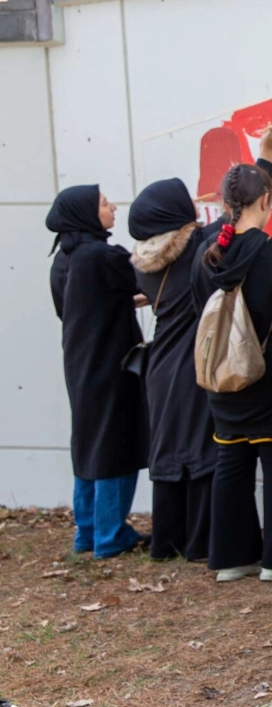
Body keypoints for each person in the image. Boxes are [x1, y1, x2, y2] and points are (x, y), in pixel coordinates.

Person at [191, 162, 272, 584]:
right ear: (266, 200)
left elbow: (201, 314)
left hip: (223, 381)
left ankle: (231, 557)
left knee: (231, 464)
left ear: (226, 204)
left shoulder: (206, 256)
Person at [47, 184, 148, 559]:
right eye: (105, 203)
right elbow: (142, 280)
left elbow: (82, 305)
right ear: (86, 213)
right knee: (116, 443)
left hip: (80, 362)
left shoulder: (65, 258)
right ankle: (110, 535)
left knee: (88, 442)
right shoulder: (101, 256)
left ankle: (87, 532)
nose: (113, 207)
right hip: (113, 364)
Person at [129, 177, 213, 562]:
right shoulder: (196, 248)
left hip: (159, 368)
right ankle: (198, 543)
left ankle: (166, 542)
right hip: (190, 363)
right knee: (200, 450)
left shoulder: (143, 264)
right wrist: (264, 158)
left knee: (166, 453)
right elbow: (236, 218)